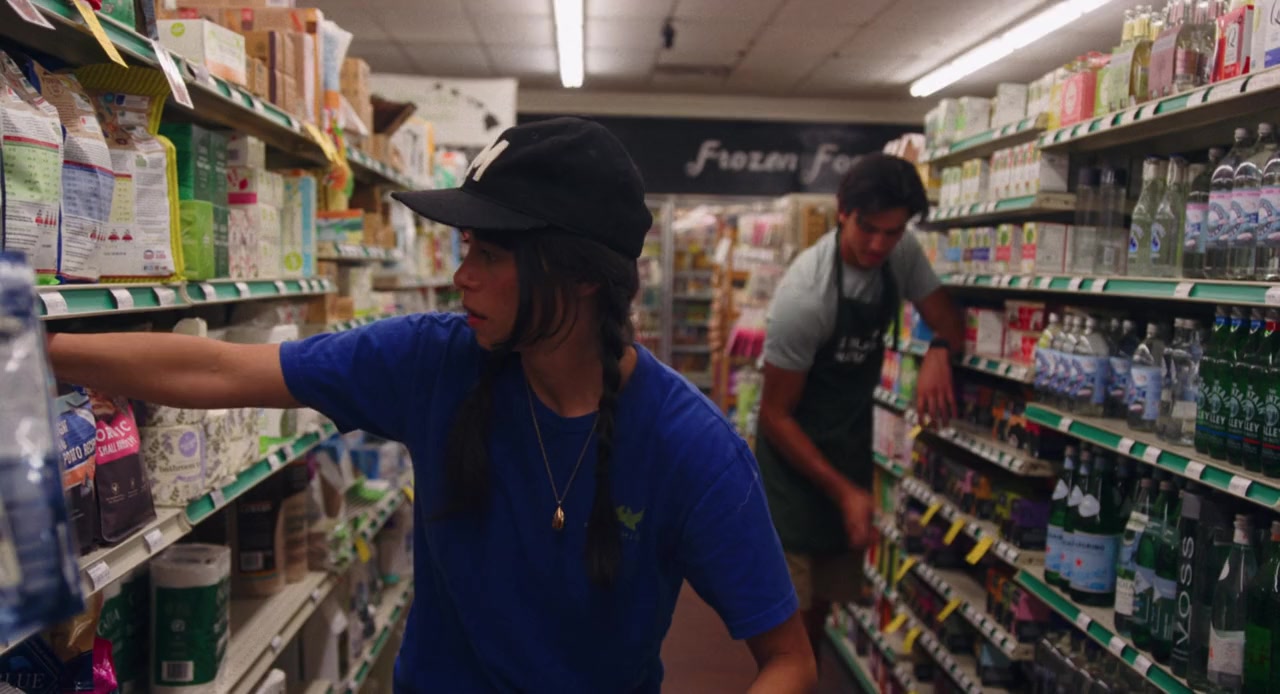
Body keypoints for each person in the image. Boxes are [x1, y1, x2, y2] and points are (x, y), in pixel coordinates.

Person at [47, 118, 816, 692]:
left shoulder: (692, 449)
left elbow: (788, 660)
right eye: (463, 247)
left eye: (490, 253)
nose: (461, 275)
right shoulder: (434, 361)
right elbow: (219, 369)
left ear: (581, 274)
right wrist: (39, 345)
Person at [756, 153, 963, 650]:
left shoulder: (901, 254)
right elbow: (774, 415)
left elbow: (950, 323)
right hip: (792, 475)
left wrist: (939, 348)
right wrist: (845, 492)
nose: (878, 245)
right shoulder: (805, 297)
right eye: (868, 229)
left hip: (847, 453)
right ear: (842, 212)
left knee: (819, 614)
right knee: (787, 632)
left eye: (892, 232)